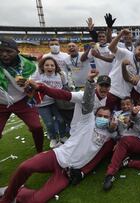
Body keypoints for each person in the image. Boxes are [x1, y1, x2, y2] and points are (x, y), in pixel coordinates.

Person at [0, 70, 118, 203]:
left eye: (106, 86)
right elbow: (64, 95)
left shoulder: (110, 132)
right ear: (97, 86)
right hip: (72, 139)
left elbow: (119, 133)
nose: (103, 88)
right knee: (25, 167)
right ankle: (7, 197)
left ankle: (19, 191)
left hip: (68, 171)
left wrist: (114, 128)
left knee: (37, 200)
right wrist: (89, 82)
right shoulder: (88, 113)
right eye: (101, 85)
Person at [0, 37, 44, 153]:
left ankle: (39, 152)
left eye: (8, 51)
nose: (4, 54)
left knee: (37, 127)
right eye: (1, 51)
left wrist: (29, 84)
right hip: (1, 104)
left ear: (17, 52)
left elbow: (36, 85)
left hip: (22, 101)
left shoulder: (29, 65)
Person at [106, 29, 140, 110]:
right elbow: (111, 47)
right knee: (106, 117)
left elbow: (136, 83)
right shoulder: (126, 53)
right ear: (135, 49)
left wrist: (137, 80)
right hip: (112, 91)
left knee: (121, 120)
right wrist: (121, 34)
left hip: (124, 97)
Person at [30, 57, 67, 148]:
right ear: (42, 66)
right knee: (49, 123)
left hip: (56, 102)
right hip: (42, 104)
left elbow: (65, 86)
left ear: (55, 66)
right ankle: (53, 138)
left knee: (61, 120)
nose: (49, 67)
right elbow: (30, 83)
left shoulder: (61, 74)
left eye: (52, 65)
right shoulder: (38, 74)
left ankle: (62, 136)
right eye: (47, 65)